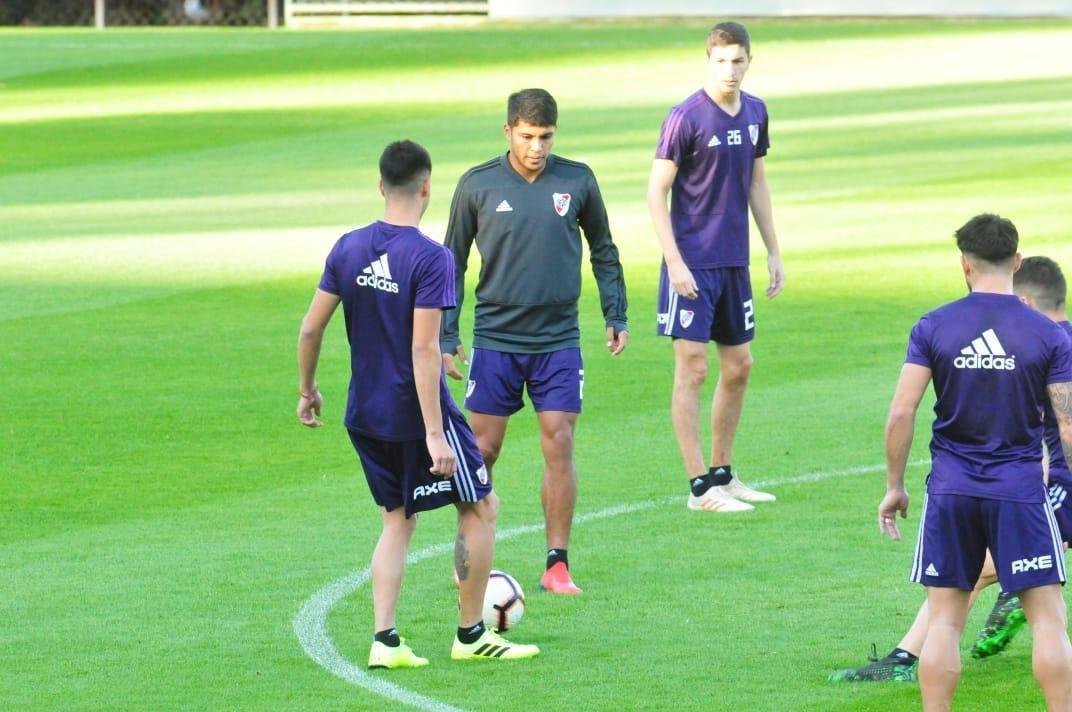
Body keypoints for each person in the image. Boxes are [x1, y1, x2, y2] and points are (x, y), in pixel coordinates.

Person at [296, 140, 539, 668]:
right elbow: (424, 348)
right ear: (427, 187)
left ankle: (385, 643)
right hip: (415, 415)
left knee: (397, 521)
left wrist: (307, 389)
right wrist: (434, 432)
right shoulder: (432, 258)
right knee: (480, 505)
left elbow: (311, 327)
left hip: (365, 413)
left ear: (381, 185)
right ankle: (471, 635)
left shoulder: (348, 247)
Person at [830, 255, 1072, 682]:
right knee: (994, 571)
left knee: (977, 574)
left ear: (1025, 299)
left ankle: (906, 658)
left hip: (1043, 483)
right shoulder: (1052, 340)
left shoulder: (1034, 339)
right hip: (1034, 480)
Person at [440, 89, 629, 595]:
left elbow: (604, 249)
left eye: (545, 137)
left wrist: (616, 311)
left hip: (558, 339)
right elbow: (450, 262)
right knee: (482, 450)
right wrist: (446, 332)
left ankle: (557, 564)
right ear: (508, 132)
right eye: (527, 136)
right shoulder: (477, 185)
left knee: (560, 442)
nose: (537, 147)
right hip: (497, 339)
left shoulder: (577, 179)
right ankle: (467, 553)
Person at [647, 21, 785, 513]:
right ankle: (699, 487)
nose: (729, 69)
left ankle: (724, 475)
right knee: (693, 369)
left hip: (733, 263)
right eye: (721, 60)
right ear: (708, 61)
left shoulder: (755, 112)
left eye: (738, 60)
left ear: (750, 60)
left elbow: (756, 184)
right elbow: (655, 191)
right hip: (692, 265)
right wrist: (674, 261)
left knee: (740, 365)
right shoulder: (685, 117)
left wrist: (772, 249)